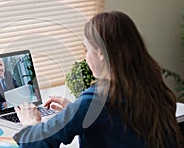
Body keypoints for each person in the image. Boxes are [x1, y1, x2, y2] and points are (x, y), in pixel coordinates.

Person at [13, 11, 183, 148]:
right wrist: (73, 111)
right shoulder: (153, 88)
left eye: (87, 49)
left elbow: (36, 143)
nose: (86, 57)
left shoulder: (97, 100)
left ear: (101, 53)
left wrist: (30, 123)